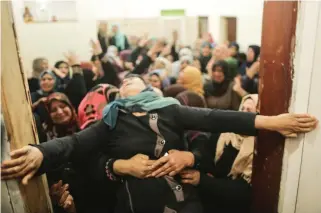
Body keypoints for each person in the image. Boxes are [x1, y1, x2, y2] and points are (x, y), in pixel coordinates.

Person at [1, 75, 318, 213]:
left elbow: (216, 118)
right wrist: (39, 151)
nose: (126, 80)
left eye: (134, 78)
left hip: (183, 205)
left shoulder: (169, 109)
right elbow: (74, 144)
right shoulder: (111, 120)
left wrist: (272, 122)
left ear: (149, 88)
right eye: (122, 81)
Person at [181, 94, 259, 213]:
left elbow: (243, 190)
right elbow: (206, 158)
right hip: (209, 200)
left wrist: (203, 180)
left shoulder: (257, 147)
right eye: (242, 109)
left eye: (249, 110)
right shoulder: (225, 134)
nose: (243, 114)